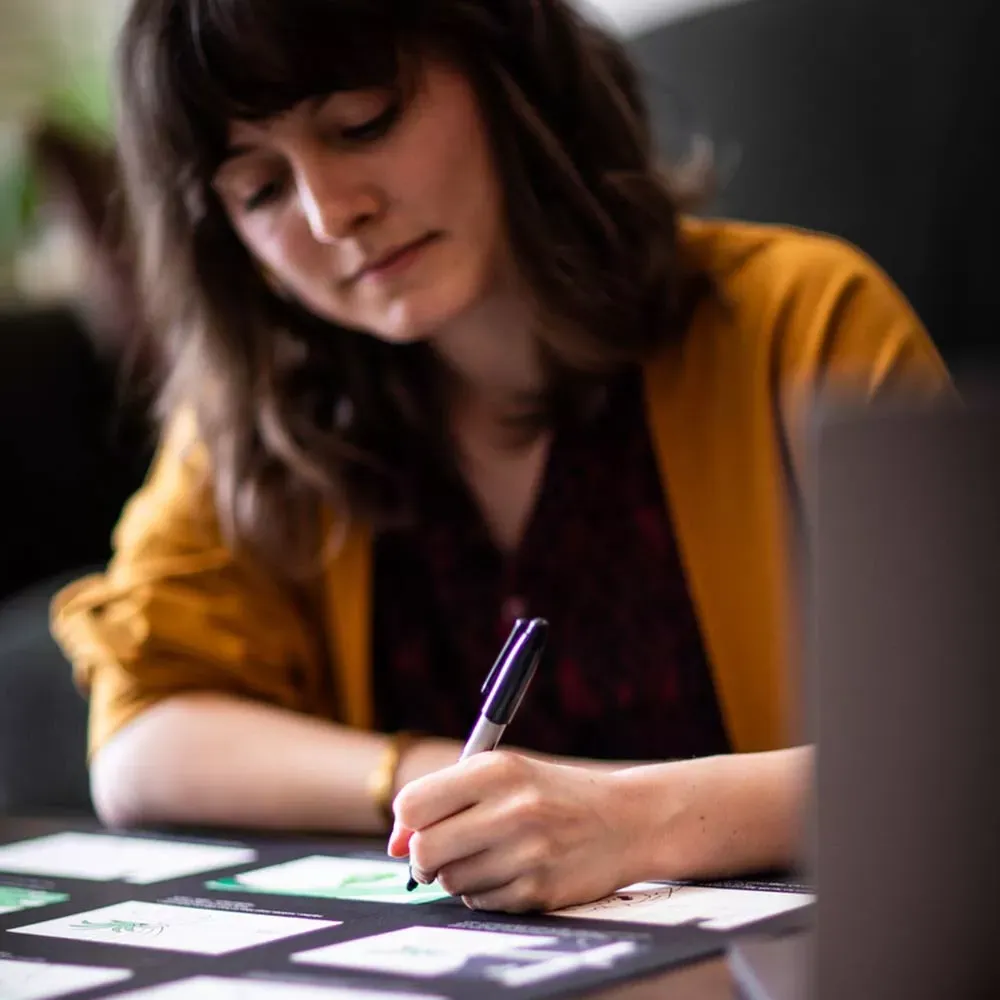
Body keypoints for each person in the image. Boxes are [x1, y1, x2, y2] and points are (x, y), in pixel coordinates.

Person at [53, 0, 949, 914]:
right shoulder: (264, 420)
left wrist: (630, 819)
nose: (332, 214)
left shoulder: (801, 322)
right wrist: (442, 783)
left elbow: (958, 752)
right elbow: (141, 744)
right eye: (259, 190)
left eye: (364, 121)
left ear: (505, 68)